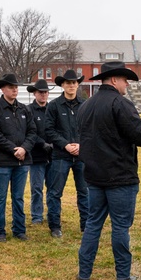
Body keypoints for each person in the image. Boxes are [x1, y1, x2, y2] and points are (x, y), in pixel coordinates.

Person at [76, 62, 141, 280]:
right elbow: (140, 134)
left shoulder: (86, 105)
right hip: (120, 177)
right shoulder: (120, 103)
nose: (127, 84)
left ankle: (84, 273)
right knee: (120, 226)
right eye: (124, 79)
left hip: (94, 176)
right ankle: (122, 276)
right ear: (113, 80)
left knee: (93, 224)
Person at [0, 74, 37, 242]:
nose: (14, 89)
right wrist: (13, 149)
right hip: (1, 161)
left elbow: (32, 132)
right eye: (10, 87)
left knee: (18, 197)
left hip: (22, 161)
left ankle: (19, 230)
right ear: (2, 89)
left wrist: (24, 148)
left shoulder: (24, 109)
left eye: (16, 87)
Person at [44, 69, 89, 239]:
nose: (71, 85)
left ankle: (86, 225)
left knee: (84, 191)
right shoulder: (54, 106)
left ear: (78, 85)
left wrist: (80, 145)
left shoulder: (85, 105)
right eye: (68, 83)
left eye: (74, 82)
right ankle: (55, 226)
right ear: (62, 85)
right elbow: (49, 130)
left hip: (81, 156)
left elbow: (90, 129)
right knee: (55, 192)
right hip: (60, 156)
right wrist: (65, 145)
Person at [26, 79, 53, 225]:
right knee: (36, 188)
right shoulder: (29, 110)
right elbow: (29, 132)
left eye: (45, 92)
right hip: (36, 155)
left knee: (52, 188)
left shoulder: (53, 109)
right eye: (40, 92)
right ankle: (36, 215)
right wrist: (42, 143)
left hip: (53, 155)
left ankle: (52, 214)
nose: (43, 95)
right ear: (35, 93)